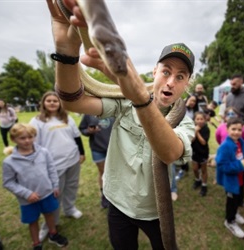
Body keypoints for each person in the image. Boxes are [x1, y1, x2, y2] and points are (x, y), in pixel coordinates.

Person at [46, 1, 195, 248]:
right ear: (155, 71)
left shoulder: (184, 121)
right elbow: (73, 101)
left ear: (187, 84)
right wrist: (65, 50)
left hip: (154, 211)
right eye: (166, 71)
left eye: (180, 76)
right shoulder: (124, 101)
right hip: (116, 202)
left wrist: (139, 98)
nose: (170, 82)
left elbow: (170, 152)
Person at [29, 91, 85, 242]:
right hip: (53, 164)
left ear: (60, 103)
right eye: (49, 101)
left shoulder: (67, 117)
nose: (53, 103)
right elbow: (33, 144)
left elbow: (76, 137)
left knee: (71, 186)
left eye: (55, 100)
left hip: (72, 159)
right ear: (43, 103)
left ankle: (70, 208)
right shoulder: (37, 121)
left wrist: (81, 152)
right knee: (55, 193)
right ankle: (50, 224)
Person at [2, 123, 68, 250]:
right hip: (28, 200)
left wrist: (55, 186)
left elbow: (51, 169)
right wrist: (27, 194)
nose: (27, 141)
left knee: (49, 214)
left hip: (47, 193)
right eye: (22, 138)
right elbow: (8, 182)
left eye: (30, 137)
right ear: (13, 139)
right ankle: (36, 243)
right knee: (33, 221)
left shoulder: (43, 152)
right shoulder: (9, 162)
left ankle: (53, 234)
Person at [215, 117, 244, 239]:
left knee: (239, 198)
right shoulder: (225, 146)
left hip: (240, 180)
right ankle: (229, 221)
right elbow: (222, 165)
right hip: (232, 181)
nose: (236, 132)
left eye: (239, 129)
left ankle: (235, 213)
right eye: (233, 129)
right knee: (231, 202)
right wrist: (240, 165)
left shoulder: (241, 142)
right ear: (227, 129)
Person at [79, 115, 114, 208]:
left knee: (115, 172)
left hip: (114, 148)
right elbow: (82, 129)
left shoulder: (115, 108)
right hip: (98, 149)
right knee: (103, 172)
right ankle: (105, 196)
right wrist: (89, 131)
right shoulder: (89, 112)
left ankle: (116, 196)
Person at [191, 112, 210, 196]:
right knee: (195, 169)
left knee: (203, 170)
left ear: (205, 120)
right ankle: (197, 180)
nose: (199, 121)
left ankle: (204, 185)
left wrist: (197, 132)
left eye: (201, 119)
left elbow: (203, 142)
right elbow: (191, 140)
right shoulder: (192, 128)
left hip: (203, 152)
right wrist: (194, 131)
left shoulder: (206, 129)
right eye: (197, 119)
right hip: (194, 152)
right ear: (194, 120)